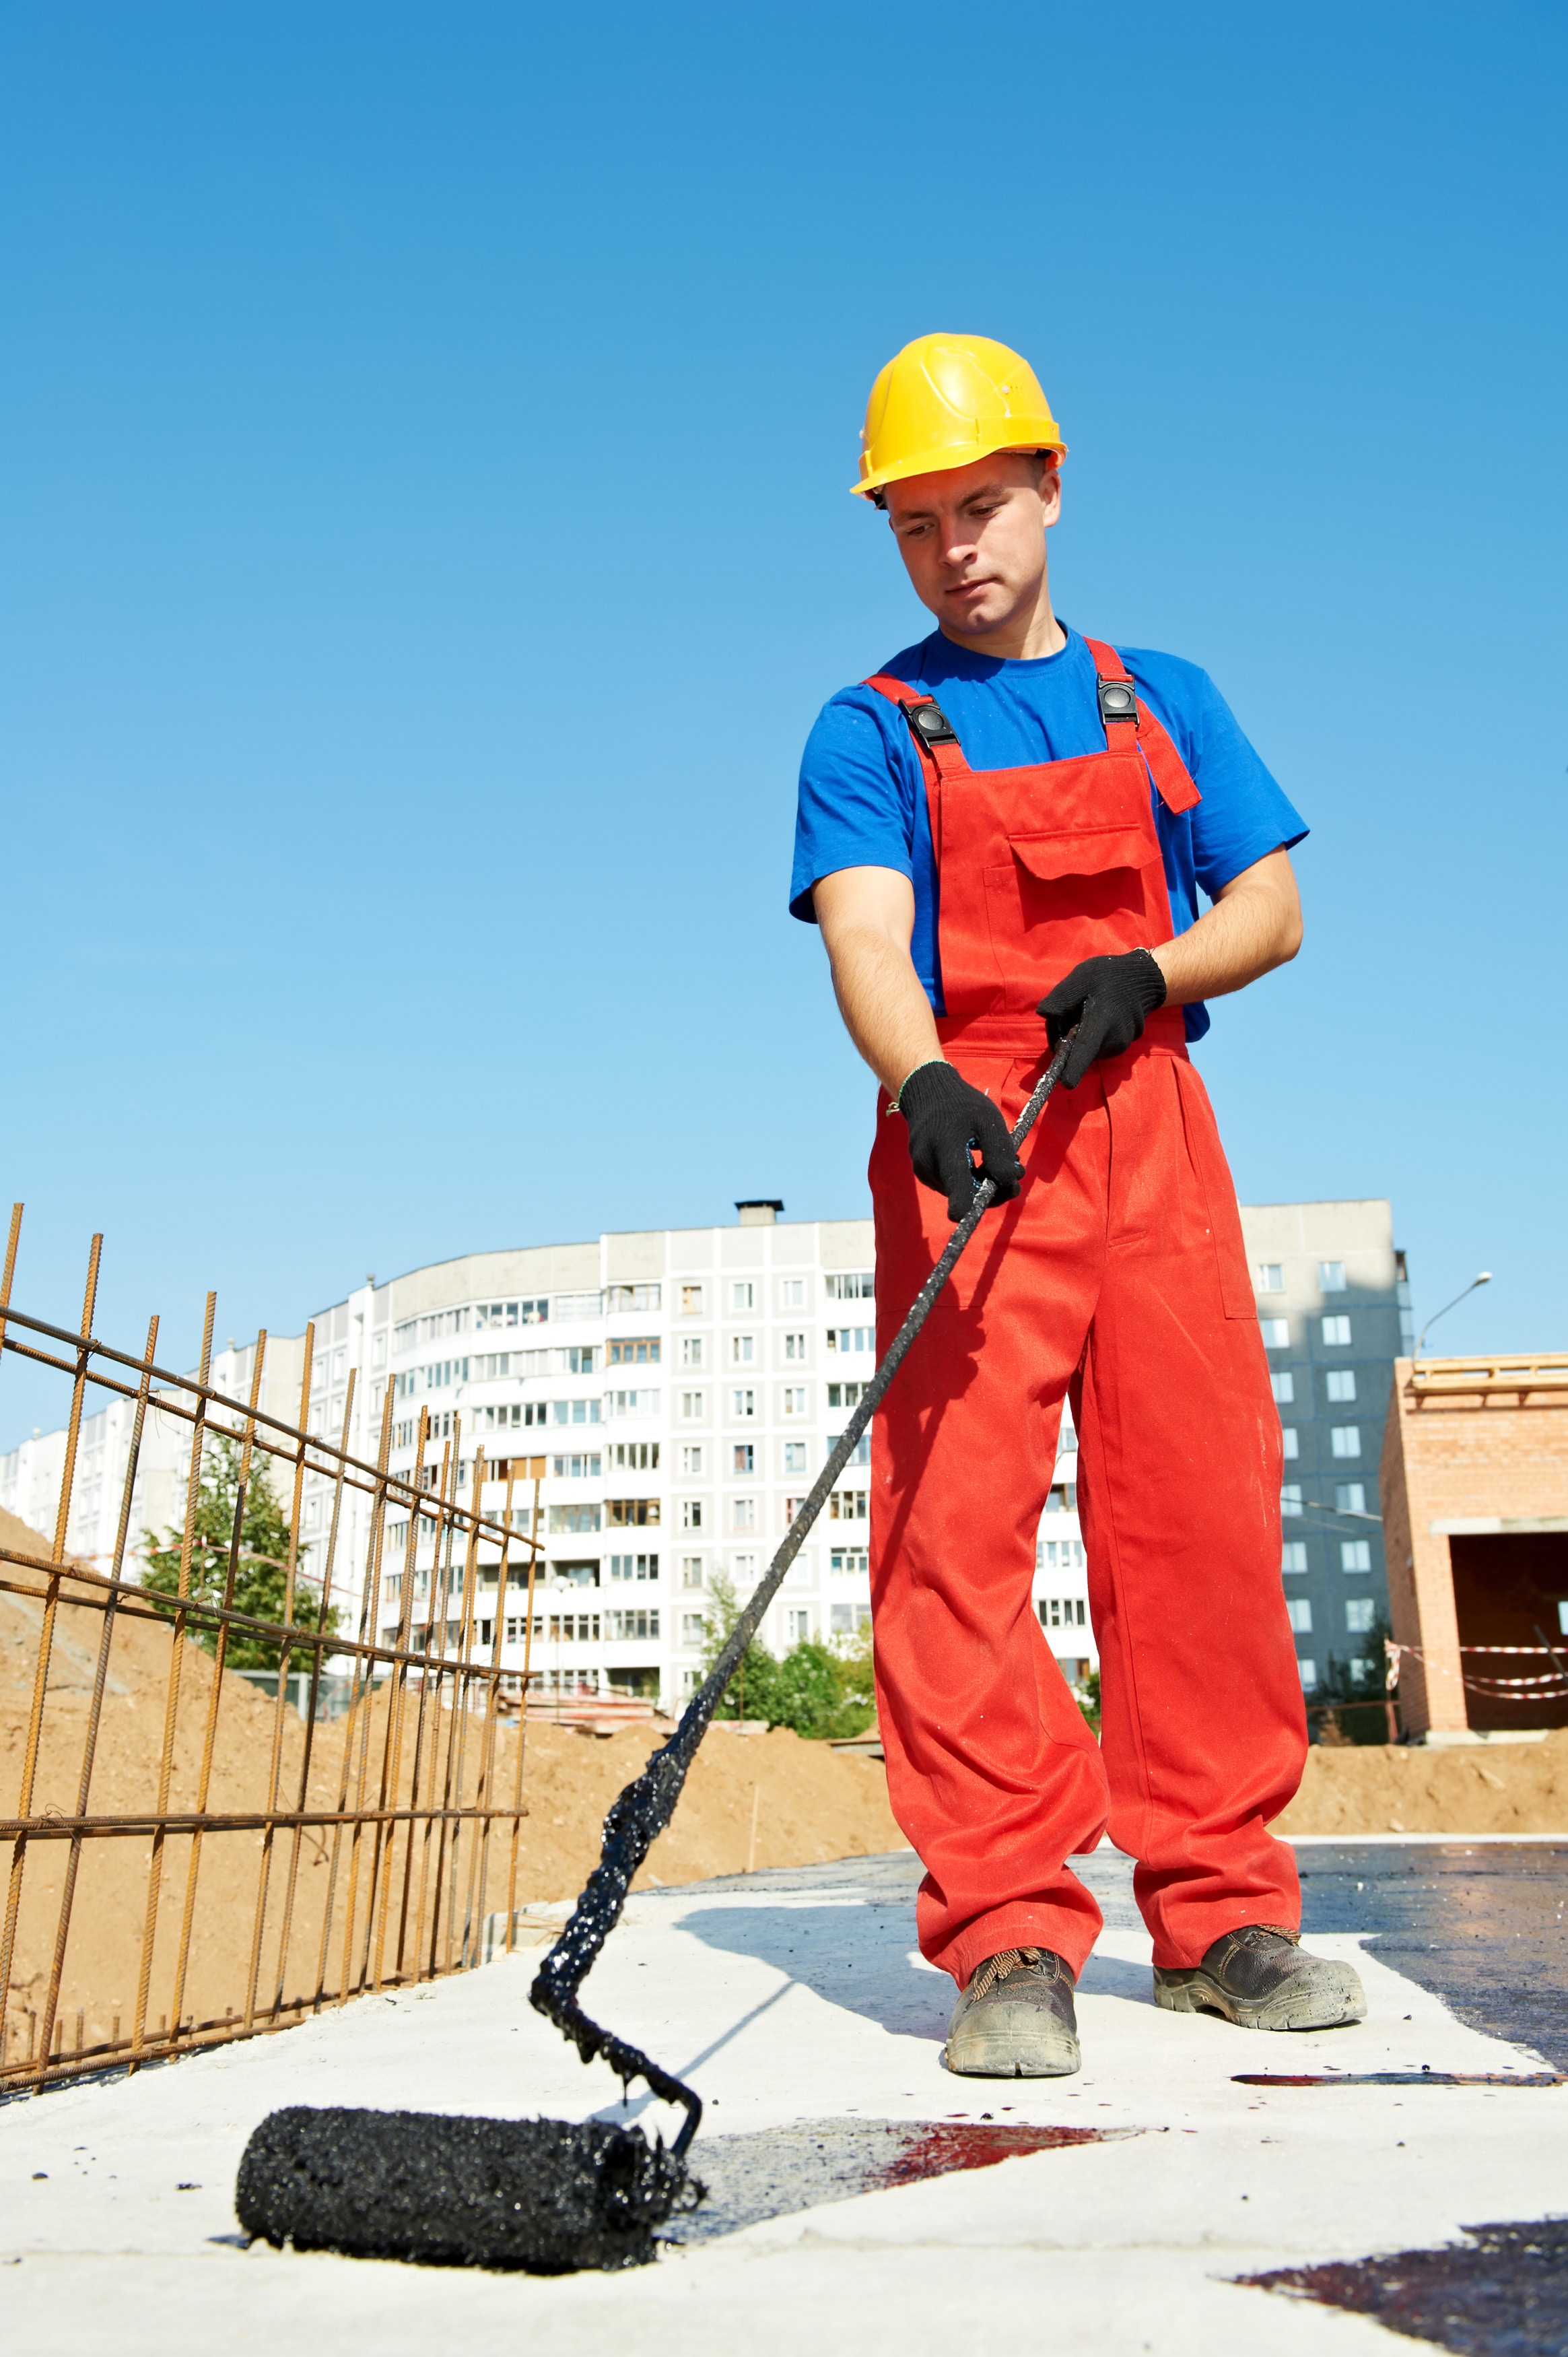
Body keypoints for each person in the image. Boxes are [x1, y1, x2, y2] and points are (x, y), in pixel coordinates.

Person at [790, 333, 1365, 2077]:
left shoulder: (1156, 695)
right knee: (950, 1532)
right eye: (913, 524)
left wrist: (1153, 964)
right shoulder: (867, 724)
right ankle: (1008, 1932)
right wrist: (921, 1080)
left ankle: (1220, 1909)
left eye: (978, 506)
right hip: (972, 1140)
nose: (951, 547)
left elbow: (1267, 908)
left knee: (1193, 1508)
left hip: (1149, 1126)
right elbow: (866, 936)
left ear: (1049, 486)